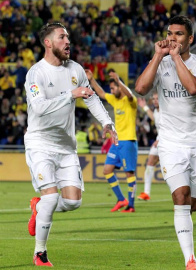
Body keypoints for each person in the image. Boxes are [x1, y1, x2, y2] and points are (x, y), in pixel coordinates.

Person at [24, 22, 117, 267]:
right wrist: (70, 95)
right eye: (62, 37)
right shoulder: (36, 72)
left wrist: (107, 123)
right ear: (48, 42)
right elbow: (39, 107)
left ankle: (38, 207)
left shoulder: (76, 69)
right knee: (52, 197)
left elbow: (92, 98)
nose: (68, 41)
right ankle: (40, 253)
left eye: (68, 37)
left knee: (73, 202)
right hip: (40, 143)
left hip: (66, 147)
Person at [135, 15, 196, 270]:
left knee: (195, 203)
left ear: (190, 38)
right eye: (170, 33)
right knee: (181, 197)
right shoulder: (161, 63)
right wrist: (158, 57)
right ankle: (190, 260)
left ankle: (185, 228)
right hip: (170, 142)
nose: (172, 38)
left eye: (178, 34)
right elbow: (141, 88)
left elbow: (193, 88)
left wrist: (176, 57)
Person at [85, 69, 138, 213]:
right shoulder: (114, 100)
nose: (112, 90)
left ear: (120, 87)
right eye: (111, 88)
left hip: (128, 141)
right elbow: (101, 94)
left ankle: (131, 205)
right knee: (107, 170)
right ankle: (121, 199)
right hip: (117, 141)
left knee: (129, 174)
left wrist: (119, 80)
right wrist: (91, 80)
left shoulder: (130, 101)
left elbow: (131, 95)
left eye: (114, 88)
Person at [137, 92, 160, 201]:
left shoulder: (167, 111)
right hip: (159, 142)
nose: (155, 100)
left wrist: (160, 139)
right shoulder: (156, 111)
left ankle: (182, 194)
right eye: (154, 98)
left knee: (169, 170)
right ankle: (146, 193)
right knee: (150, 163)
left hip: (168, 142)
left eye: (157, 98)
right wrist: (144, 106)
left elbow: (171, 127)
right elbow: (154, 117)